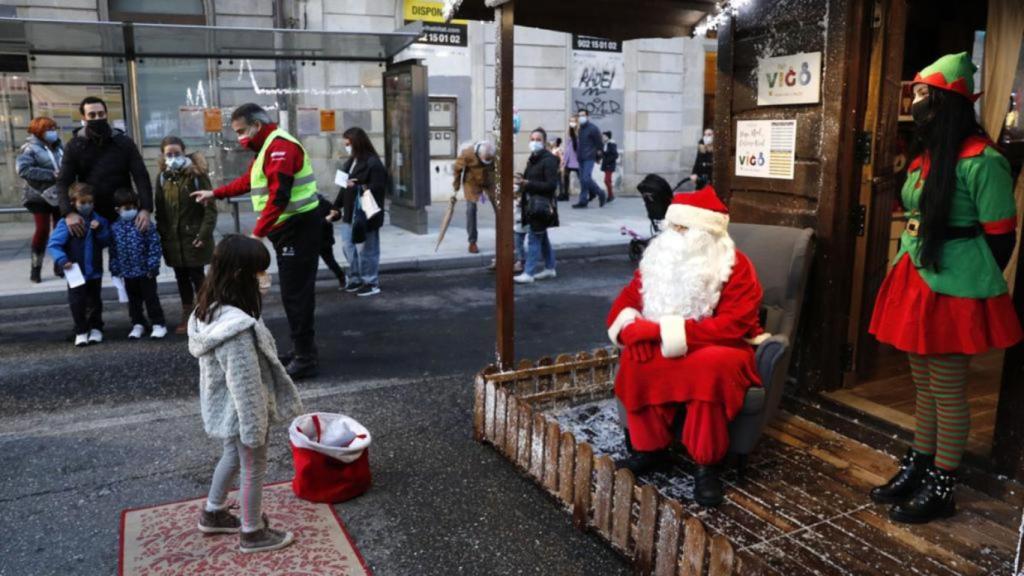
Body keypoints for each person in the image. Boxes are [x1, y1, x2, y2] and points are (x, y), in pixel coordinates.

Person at [868, 53, 1022, 524]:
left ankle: (943, 483)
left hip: (954, 287)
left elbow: (1002, 238)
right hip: (915, 278)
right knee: (924, 386)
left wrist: (971, 283)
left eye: (921, 94)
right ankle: (919, 462)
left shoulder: (985, 161)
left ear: (946, 102)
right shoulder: (929, 154)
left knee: (948, 389)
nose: (915, 102)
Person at [606, 187, 765, 507]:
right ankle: (650, 449)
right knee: (639, 359)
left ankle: (707, 465)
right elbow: (626, 301)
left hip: (721, 344)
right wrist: (630, 328)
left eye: (683, 228)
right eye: (672, 227)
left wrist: (660, 331)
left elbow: (732, 326)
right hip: (671, 340)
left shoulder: (735, 266)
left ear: (707, 233)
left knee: (709, 367)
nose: (674, 235)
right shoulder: (657, 260)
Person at [188, 235, 303, 553]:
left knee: (231, 455)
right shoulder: (237, 329)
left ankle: (213, 513)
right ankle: (252, 533)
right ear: (240, 276)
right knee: (253, 464)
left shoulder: (210, 309)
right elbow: (245, 383)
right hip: (243, 412)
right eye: (260, 272)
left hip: (227, 408)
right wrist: (255, 428)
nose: (265, 279)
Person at [191, 103, 323, 380]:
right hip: (289, 228)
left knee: (296, 294)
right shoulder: (268, 148)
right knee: (294, 293)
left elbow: (279, 196)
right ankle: (302, 349)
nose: (240, 138)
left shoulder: (280, 148)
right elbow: (249, 181)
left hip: (298, 229)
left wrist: (258, 233)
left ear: (257, 126)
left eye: (241, 131)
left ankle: (305, 357)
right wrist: (215, 193)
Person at [55, 96, 153, 236]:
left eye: (101, 114)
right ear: (84, 117)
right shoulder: (75, 145)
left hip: (122, 208)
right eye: (92, 115)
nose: (97, 118)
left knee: (128, 254)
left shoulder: (124, 143)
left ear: (106, 114)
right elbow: (63, 181)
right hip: (89, 209)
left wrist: (145, 209)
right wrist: (68, 213)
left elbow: (141, 176)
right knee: (90, 256)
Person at [154, 136, 216, 335]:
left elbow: (210, 209)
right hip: (173, 239)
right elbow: (160, 210)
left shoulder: (196, 175)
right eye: (169, 154)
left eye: (177, 153)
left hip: (194, 237)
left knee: (197, 276)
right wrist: (163, 234)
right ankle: (188, 314)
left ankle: (206, 313)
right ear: (163, 156)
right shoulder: (163, 177)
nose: (173, 157)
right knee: (181, 277)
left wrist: (203, 234)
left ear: (184, 152)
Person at [47, 183, 111, 347]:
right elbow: (54, 244)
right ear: (73, 203)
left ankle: (96, 328)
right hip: (75, 270)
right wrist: (62, 260)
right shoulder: (67, 223)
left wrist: (101, 229)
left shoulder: (99, 220)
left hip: (94, 270)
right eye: (83, 203)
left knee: (95, 300)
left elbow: (106, 241)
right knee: (77, 302)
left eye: (90, 202)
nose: (87, 206)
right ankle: (81, 330)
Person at [328, 127, 387, 297]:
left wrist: (359, 185)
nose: (346, 146)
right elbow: (343, 187)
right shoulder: (351, 161)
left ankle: (371, 282)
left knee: (366, 249)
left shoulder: (373, 163)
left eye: (348, 143)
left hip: (365, 213)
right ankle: (355, 278)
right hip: (349, 213)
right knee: (349, 247)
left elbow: (379, 188)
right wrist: (335, 206)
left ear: (357, 143)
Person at [109, 188, 167, 340]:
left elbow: (154, 245)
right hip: (127, 272)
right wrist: (115, 269)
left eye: (135, 207)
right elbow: (113, 250)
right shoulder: (115, 228)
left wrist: (153, 265)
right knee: (133, 301)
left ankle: (158, 323)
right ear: (118, 210)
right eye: (127, 208)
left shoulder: (144, 224)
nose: (132, 211)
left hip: (145, 271)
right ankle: (138, 323)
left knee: (151, 298)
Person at [17, 116, 64, 283]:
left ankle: (60, 265)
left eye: (53, 128)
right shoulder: (29, 148)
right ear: (38, 131)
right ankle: (35, 268)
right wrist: (51, 175)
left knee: (61, 231)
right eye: (48, 129)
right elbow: (23, 170)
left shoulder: (59, 147)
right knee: (42, 231)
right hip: (38, 195)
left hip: (59, 194)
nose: (52, 132)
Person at [513, 128, 559, 284]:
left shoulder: (550, 160)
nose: (534, 142)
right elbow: (529, 179)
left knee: (534, 238)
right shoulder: (533, 158)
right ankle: (550, 268)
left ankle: (529, 273)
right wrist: (521, 183)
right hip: (531, 204)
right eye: (532, 139)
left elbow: (551, 185)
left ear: (544, 142)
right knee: (542, 237)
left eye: (538, 139)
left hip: (541, 206)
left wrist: (528, 183)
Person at [452, 140, 496, 254]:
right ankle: (472, 242)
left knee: (500, 206)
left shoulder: (494, 153)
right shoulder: (468, 153)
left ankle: (504, 236)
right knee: (471, 209)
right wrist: (456, 185)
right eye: (484, 160)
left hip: (488, 179)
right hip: (471, 182)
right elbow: (457, 169)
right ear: (479, 155)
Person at [571, 108, 607, 209]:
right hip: (581, 157)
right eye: (579, 115)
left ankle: (600, 193)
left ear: (587, 116)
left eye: (583, 115)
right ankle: (583, 201)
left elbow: (599, 144)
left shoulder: (593, 128)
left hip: (589, 157)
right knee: (583, 180)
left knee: (586, 178)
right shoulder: (579, 129)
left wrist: (599, 156)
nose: (581, 117)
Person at [317, 194, 346, 290]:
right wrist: (326, 220)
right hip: (309, 240)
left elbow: (336, 212)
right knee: (309, 266)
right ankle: (306, 287)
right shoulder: (304, 206)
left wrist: (336, 214)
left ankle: (342, 277)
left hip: (324, 240)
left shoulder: (323, 203)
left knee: (330, 261)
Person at [560, 117, 580, 202]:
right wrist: (564, 159)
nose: (571, 123)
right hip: (569, 159)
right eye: (570, 121)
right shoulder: (570, 131)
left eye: (573, 121)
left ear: (576, 122)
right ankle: (565, 194)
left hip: (576, 159)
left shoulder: (579, 131)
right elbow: (568, 147)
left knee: (583, 178)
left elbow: (577, 146)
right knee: (565, 177)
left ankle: (591, 192)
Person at [601, 131, 619, 203]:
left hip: (609, 165)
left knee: (606, 180)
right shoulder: (606, 144)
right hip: (606, 165)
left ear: (608, 137)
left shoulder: (611, 144)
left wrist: (608, 161)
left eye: (604, 136)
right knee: (608, 180)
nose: (603, 137)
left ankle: (610, 195)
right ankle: (610, 195)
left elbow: (615, 155)